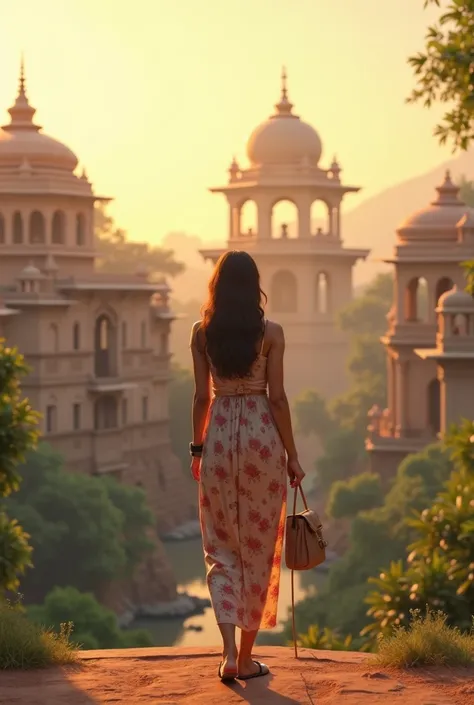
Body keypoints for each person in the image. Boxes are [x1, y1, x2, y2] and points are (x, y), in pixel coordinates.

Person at [189, 250, 305, 683]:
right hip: (262, 441)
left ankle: (227, 653)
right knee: (258, 549)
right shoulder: (270, 333)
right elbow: (277, 397)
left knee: (220, 549)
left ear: (217, 286)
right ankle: (248, 658)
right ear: (253, 285)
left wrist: (197, 448)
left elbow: (202, 397)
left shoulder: (202, 334)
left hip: (218, 438)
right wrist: (292, 455)